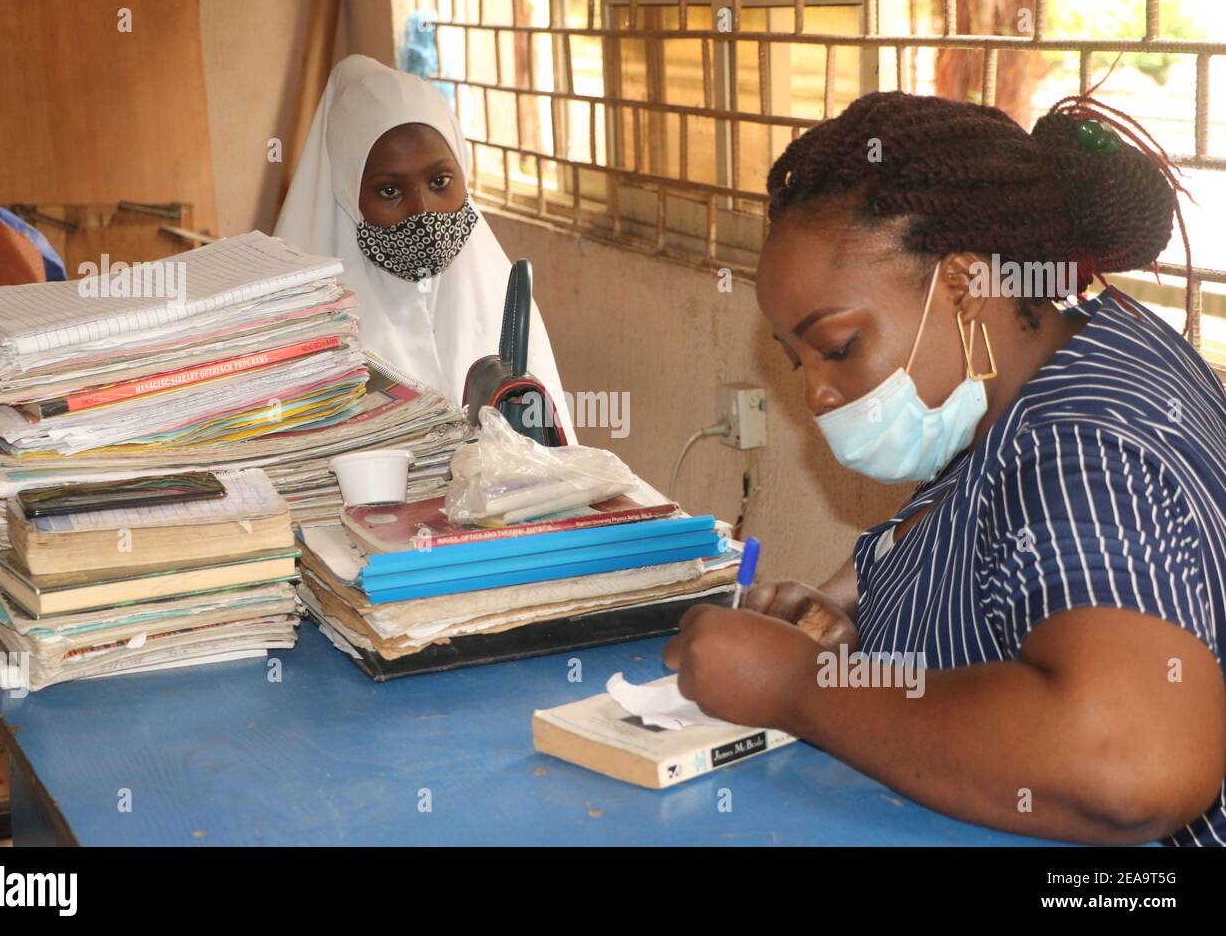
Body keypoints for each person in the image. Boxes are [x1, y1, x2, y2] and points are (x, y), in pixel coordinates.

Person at [664, 90, 1226, 846]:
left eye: (835, 347)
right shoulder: (1059, 355)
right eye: (794, 361)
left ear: (965, 289)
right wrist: (850, 603)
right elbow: (986, 527)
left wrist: (801, 687)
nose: (818, 394)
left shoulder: (1089, 450)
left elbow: (1130, 763)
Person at [275, 55, 573, 434]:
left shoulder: (503, 296)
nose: (423, 211)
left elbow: (553, 454)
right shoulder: (302, 323)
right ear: (349, 196)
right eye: (390, 190)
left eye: (440, 182)